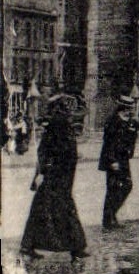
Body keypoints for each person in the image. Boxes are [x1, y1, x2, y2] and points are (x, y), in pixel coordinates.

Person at [20, 94, 88, 261]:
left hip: (61, 176)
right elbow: (45, 151)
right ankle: (76, 247)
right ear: (63, 108)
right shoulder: (58, 124)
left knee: (45, 209)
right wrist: (43, 172)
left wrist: (74, 156)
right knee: (55, 209)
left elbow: (63, 149)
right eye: (70, 107)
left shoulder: (63, 123)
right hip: (55, 176)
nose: (73, 111)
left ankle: (28, 246)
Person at [99, 93, 138, 230]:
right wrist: (112, 160)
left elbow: (132, 140)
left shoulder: (132, 122)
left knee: (127, 185)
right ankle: (108, 219)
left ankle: (112, 214)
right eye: (130, 107)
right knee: (112, 188)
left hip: (124, 159)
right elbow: (108, 142)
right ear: (124, 108)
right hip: (113, 159)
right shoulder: (113, 121)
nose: (132, 109)